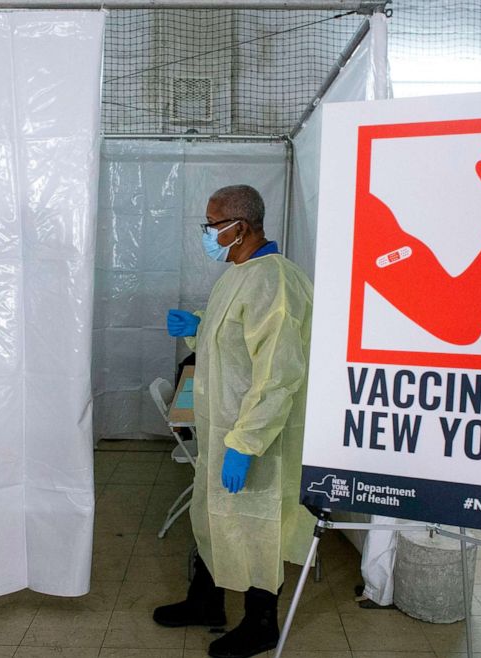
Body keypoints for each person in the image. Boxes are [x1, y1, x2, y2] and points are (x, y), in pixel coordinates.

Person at [154, 185, 316, 658]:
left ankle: (261, 623)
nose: (207, 234)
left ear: (239, 227)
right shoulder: (238, 272)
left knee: (258, 525)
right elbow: (235, 337)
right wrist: (200, 325)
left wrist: (247, 442)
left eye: (212, 224)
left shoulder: (276, 281)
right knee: (211, 514)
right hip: (221, 423)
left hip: (256, 433)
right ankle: (205, 602)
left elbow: (279, 373)